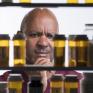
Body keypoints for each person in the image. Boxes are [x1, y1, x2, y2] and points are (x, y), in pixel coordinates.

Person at [0, 8, 82, 93]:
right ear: (20, 38)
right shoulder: (3, 83)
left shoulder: (78, 81)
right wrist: (37, 85)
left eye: (50, 36)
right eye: (35, 35)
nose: (43, 43)